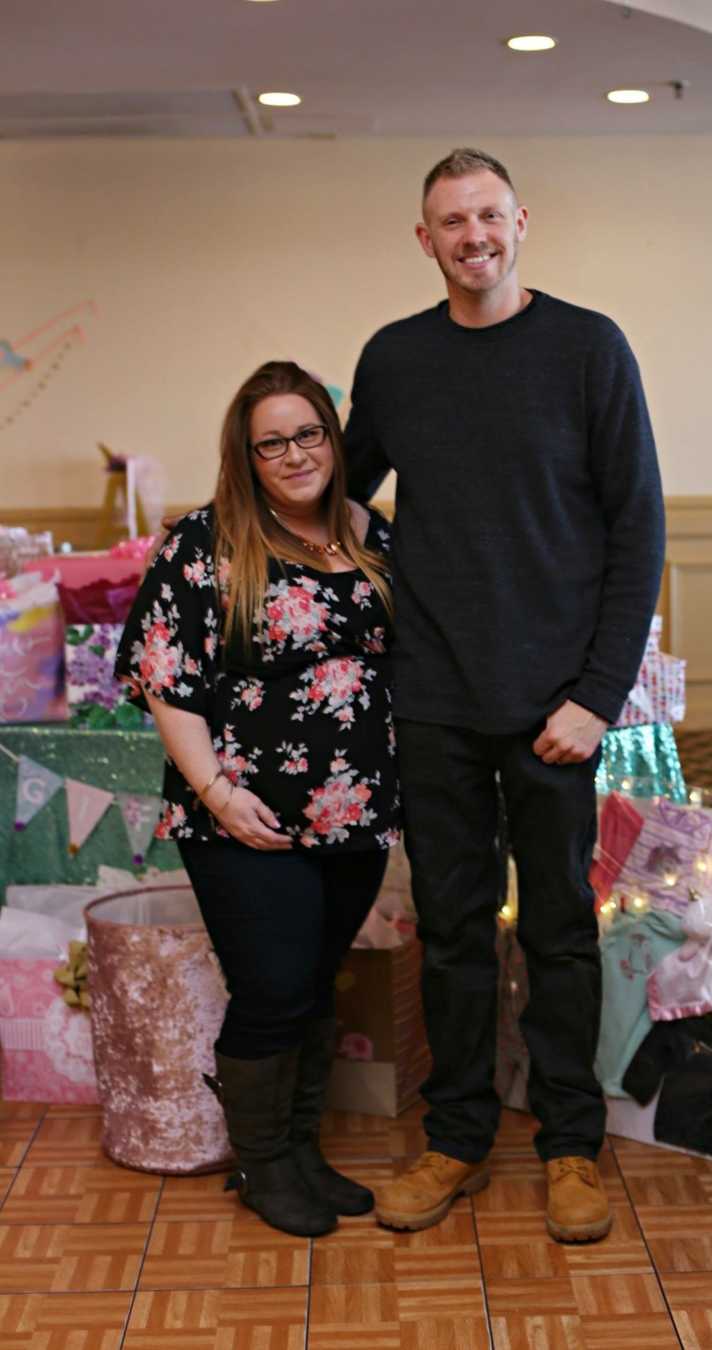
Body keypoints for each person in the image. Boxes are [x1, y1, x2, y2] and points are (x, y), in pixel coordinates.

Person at [343, 148, 665, 1243]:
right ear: (423, 239)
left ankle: (571, 1146)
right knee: (453, 934)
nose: (472, 235)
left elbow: (639, 529)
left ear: (521, 221)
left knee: (565, 934)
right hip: (432, 694)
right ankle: (458, 1139)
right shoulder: (393, 359)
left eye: (488, 215)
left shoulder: (588, 347)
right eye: (450, 220)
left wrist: (598, 694)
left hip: (556, 708)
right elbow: (331, 493)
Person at [116, 361, 399, 1237]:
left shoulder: (368, 531)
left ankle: (300, 1152)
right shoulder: (203, 543)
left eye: (308, 433)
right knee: (272, 988)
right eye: (270, 442)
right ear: (246, 455)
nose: (293, 453)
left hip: (355, 812)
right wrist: (216, 790)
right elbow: (165, 679)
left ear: (333, 437)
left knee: (314, 985)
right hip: (244, 813)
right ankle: (263, 1164)